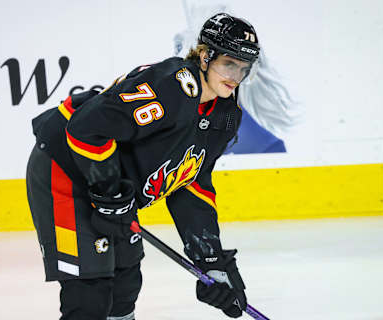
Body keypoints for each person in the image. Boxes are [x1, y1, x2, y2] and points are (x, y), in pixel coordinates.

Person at [26, 12, 259, 320]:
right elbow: (86, 128)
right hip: (66, 170)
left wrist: (212, 261)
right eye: (229, 63)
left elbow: (192, 182)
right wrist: (110, 193)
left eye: (243, 68)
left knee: (125, 284)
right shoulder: (172, 86)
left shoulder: (225, 115)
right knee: (91, 294)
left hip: (110, 185)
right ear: (204, 56)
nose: (235, 75)